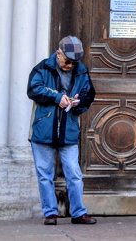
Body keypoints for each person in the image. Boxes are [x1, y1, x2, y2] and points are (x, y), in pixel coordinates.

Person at [27, 35, 97, 225]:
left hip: (69, 131)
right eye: (67, 61)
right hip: (43, 131)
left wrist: (78, 102)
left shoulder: (81, 71)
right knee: (44, 174)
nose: (70, 66)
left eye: (74, 63)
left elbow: (88, 94)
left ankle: (78, 213)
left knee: (74, 173)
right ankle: (51, 213)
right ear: (58, 53)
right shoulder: (43, 68)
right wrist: (57, 97)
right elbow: (33, 89)